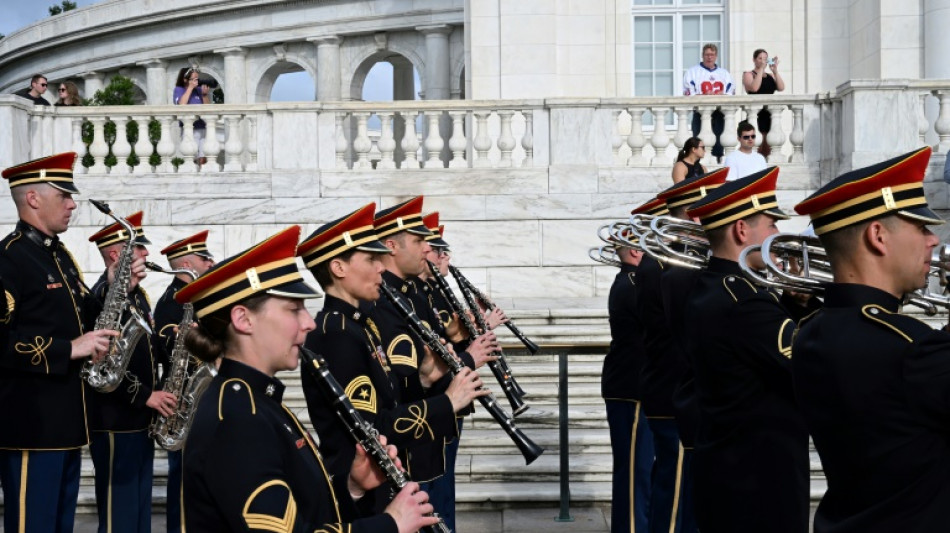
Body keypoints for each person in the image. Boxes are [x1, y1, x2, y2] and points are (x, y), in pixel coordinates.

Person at [177, 225, 439, 532]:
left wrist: (352, 487)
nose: (309, 323)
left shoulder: (258, 401)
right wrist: (390, 525)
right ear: (243, 319)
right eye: (294, 309)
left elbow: (302, 511)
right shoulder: (238, 419)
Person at [792, 147, 950, 532]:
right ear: (878, 236)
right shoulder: (909, 348)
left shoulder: (810, 332)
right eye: (921, 227)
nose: (933, 240)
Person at [297, 204, 485, 520]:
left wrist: (425, 378)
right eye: (371, 260)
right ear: (339, 268)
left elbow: (387, 398)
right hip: (363, 497)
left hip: (382, 485)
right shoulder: (336, 334)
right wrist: (447, 402)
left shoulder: (358, 324)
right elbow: (372, 428)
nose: (380, 268)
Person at [682, 167, 810, 533]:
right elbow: (808, 364)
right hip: (759, 484)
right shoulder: (744, 300)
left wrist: (796, 304)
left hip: (730, 474)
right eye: (771, 224)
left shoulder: (714, 287)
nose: (777, 234)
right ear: (741, 230)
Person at [0, 152, 118, 533]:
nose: (72, 204)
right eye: (64, 195)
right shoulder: (10, 258)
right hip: (31, 430)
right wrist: (69, 348)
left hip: (69, 426)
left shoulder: (59, 255)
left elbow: (82, 312)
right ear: (33, 198)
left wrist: (111, 286)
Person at [654, 167, 731, 533]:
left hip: (689, 397)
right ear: (693, 217)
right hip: (691, 398)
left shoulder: (683, 267)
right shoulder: (683, 271)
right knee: (684, 511)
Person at [86, 211, 171, 533]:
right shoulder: (103, 296)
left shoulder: (137, 294)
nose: (146, 252)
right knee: (118, 514)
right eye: (139, 247)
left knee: (137, 512)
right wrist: (146, 395)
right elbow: (102, 365)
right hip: (115, 420)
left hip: (137, 419)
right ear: (116, 255)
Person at [630, 195, 692, 533]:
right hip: (672, 390)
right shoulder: (664, 267)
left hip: (669, 387)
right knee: (674, 498)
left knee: (674, 490)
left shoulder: (663, 264)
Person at [151, 229, 216, 533]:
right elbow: (173, 352)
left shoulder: (194, 298)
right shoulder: (171, 302)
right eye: (204, 258)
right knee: (183, 481)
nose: (210, 262)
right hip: (183, 401)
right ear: (187, 264)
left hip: (199, 398)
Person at [600, 225, 655, 533]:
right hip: (631, 388)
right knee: (635, 473)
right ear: (636, 251)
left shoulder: (633, 282)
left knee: (638, 471)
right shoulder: (634, 284)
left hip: (633, 385)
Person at [683, 44, 734, 160]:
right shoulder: (692, 72)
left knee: (718, 145)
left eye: (712, 54)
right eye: (707, 54)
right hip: (700, 113)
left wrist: (721, 95)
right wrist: (704, 95)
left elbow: (731, 92)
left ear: (716, 56)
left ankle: (717, 163)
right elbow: (688, 93)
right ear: (702, 55)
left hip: (719, 113)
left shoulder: (724, 74)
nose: (709, 57)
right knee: (698, 144)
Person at [742, 49, 785, 158]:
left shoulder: (770, 75)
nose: (762, 61)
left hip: (769, 114)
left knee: (768, 147)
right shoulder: (748, 74)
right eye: (760, 58)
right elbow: (754, 88)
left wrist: (775, 71)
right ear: (754, 60)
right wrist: (761, 69)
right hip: (755, 114)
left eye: (765, 58)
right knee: (757, 145)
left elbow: (781, 88)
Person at [173, 67, 210, 166]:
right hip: (189, 129)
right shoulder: (179, 89)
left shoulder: (198, 90)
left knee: (203, 159)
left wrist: (205, 95)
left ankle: (203, 174)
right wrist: (190, 88)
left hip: (202, 126)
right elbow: (181, 104)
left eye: (197, 79)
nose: (196, 82)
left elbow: (208, 108)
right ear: (185, 79)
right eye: (193, 79)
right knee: (192, 158)